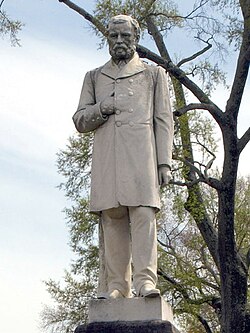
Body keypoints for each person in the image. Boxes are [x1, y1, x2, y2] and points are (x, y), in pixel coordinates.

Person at [73, 15, 174, 299]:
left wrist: (164, 162)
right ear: (108, 39)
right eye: (114, 36)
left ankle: (146, 282)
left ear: (135, 39)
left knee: (143, 215)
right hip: (108, 160)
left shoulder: (152, 74)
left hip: (142, 157)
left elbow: (163, 120)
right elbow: (80, 120)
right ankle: (117, 285)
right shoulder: (94, 76)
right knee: (112, 217)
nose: (119, 42)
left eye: (125, 37)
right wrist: (102, 107)